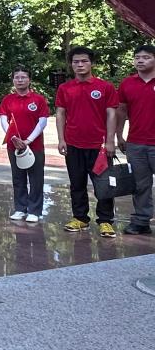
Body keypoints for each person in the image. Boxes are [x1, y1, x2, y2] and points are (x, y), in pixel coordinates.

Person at [55, 46, 119, 236]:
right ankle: (80, 218)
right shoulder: (65, 88)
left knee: (104, 185)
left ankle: (105, 221)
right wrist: (61, 139)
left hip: (99, 146)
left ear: (92, 63)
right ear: (71, 65)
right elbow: (60, 114)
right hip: (73, 144)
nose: (80, 65)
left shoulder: (105, 87)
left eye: (84, 61)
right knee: (77, 183)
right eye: (76, 62)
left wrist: (110, 141)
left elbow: (111, 114)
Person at [0, 67, 50, 223]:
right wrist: (13, 138)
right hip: (14, 145)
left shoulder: (38, 99)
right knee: (18, 177)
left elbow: (42, 121)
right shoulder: (8, 100)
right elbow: (3, 119)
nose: (20, 80)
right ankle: (20, 208)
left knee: (36, 178)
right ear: (13, 80)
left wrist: (28, 141)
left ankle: (35, 210)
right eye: (17, 77)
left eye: (23, 77)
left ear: (29, 80)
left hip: (35, 146)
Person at [117, 45, 155, 236]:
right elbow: (121, 111)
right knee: (140, 185)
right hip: (136, 143)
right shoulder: (127, 84)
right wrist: (119, 135)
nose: (140, 60)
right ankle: (141, 221)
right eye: (137, 57)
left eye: (146, 57)